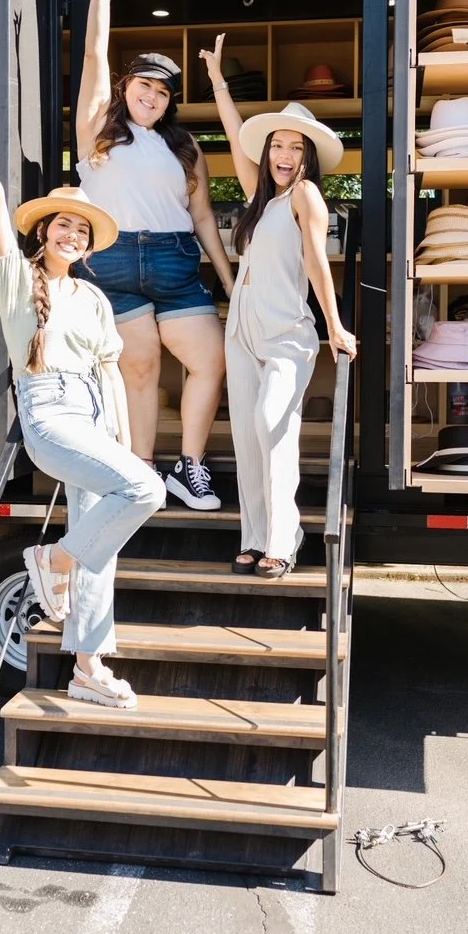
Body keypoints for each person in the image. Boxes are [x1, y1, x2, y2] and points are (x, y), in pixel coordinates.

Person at [0, 99, 166, 710]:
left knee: (103, 540)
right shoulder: (18, 281)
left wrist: (127, 449)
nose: (71, 234)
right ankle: (53, 559)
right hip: (49, 415)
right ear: (42, 231)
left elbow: (113, 375)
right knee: (144, 494)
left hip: (96, 417)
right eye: (62, 225)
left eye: (82, 229)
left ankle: (87, 666)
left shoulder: (95, 299)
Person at [74, 0, 235, 512]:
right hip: (113, 258)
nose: (154, 96)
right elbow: (94, 55)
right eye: (145, 84)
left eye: (164, 92)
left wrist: (229, 279)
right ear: (126, 86)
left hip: (174, 258)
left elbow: (203, 217)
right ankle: (142, 472)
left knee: (209, 361)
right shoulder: (97, 128)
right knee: (139, 371)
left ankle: (189, 467)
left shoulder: (186, 146)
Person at [199, 35, 358, 578]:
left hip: (286, 331)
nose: (284, 156)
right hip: (240, 330)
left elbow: (317, 263)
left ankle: (284, 537)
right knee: (245, 435)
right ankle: (255, 536)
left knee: (273, 426)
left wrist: (335, 326)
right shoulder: (260, 198)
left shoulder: (306, 196)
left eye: (294, 148)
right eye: (277, 146)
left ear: (307, 155)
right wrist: (218, 78)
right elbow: (230, 131)